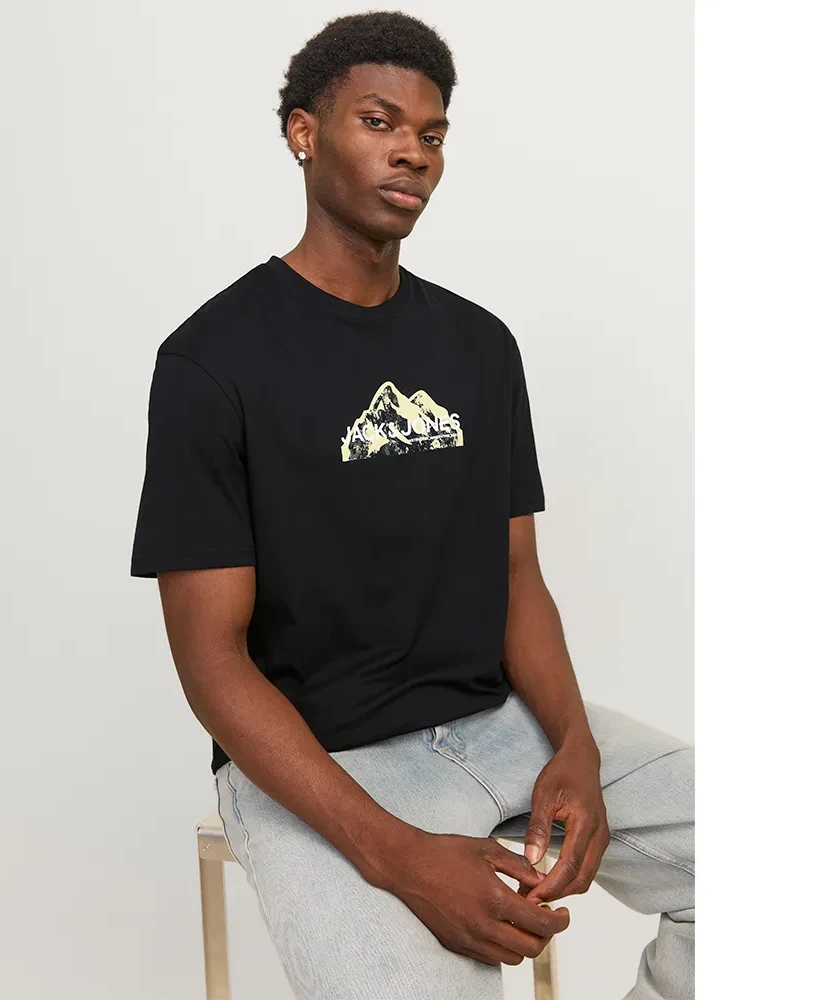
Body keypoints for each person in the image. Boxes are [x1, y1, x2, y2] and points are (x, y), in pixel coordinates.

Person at [130, 11, 694, 999]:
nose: (412, 152)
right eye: (378, 121)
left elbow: (517, 576)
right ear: (303, 131)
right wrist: (396, 854)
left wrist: (574, 744)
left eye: (431, 133)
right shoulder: (210, 363)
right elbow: (211, 661)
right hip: (322, 764)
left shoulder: (480, 347)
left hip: (501, 724)